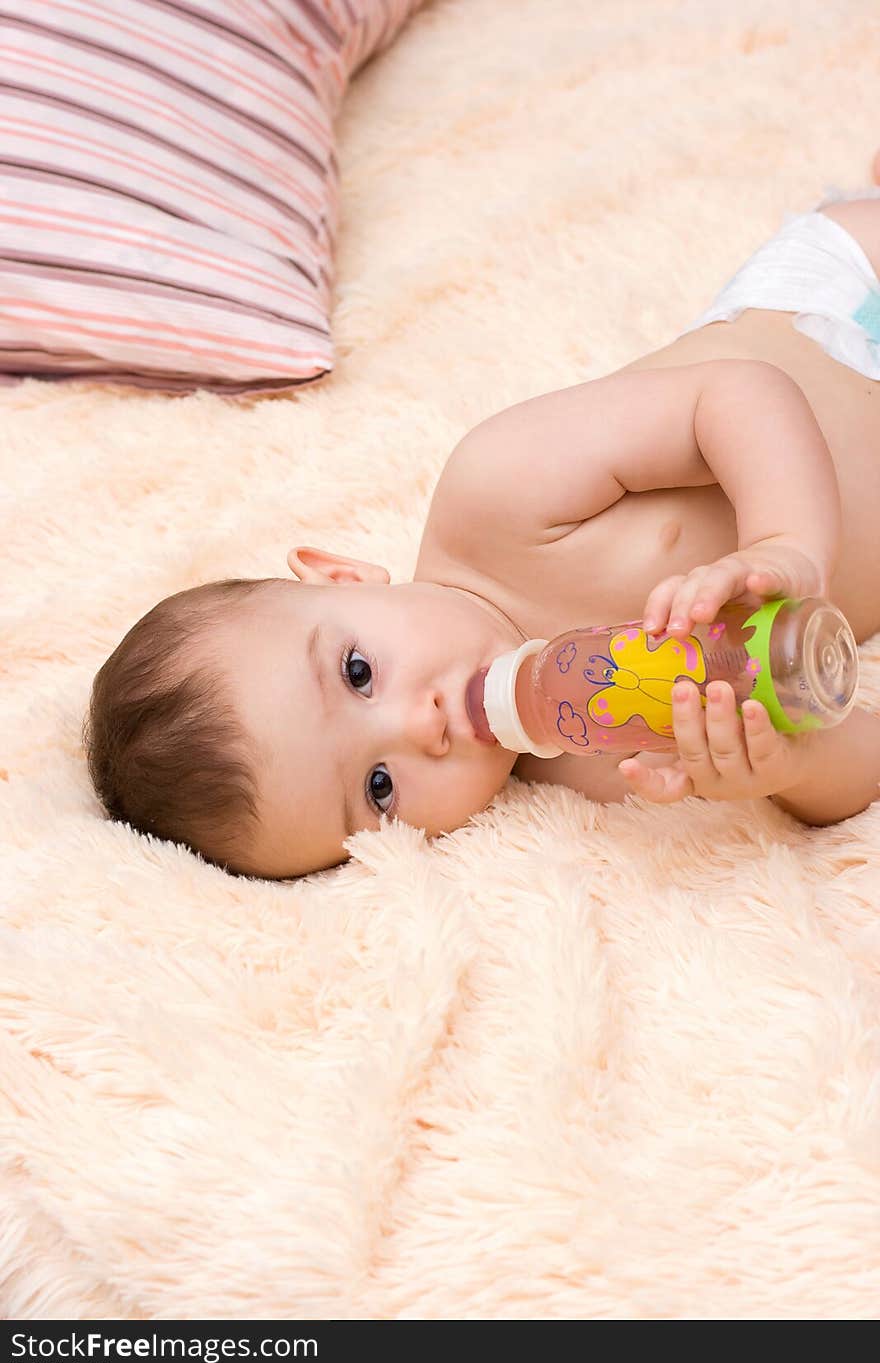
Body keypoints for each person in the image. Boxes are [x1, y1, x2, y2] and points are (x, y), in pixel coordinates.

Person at [84, 173, 880, 879]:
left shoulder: (497, 496)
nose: (420, 725)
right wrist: (786, 762)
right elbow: (865, 759)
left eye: (358, 673)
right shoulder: (599, 756)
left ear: (342, 575)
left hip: (846, 321)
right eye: (379, 787)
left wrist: (787, 543)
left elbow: (738, 394)